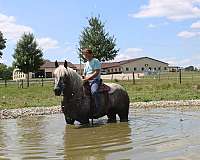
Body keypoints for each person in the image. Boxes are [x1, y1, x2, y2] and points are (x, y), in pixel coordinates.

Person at [82, 48, 101, 116]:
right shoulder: (86, 63)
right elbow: (84, 74)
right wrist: (83, 77)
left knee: (94, 92)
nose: (86, 56)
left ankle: (99, 108)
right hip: (86, 81)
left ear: (91, 54)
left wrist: (87, 79)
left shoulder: (96, 61)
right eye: (85, 55)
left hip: (95, 80)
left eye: (87, 55)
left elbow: (96, 72)